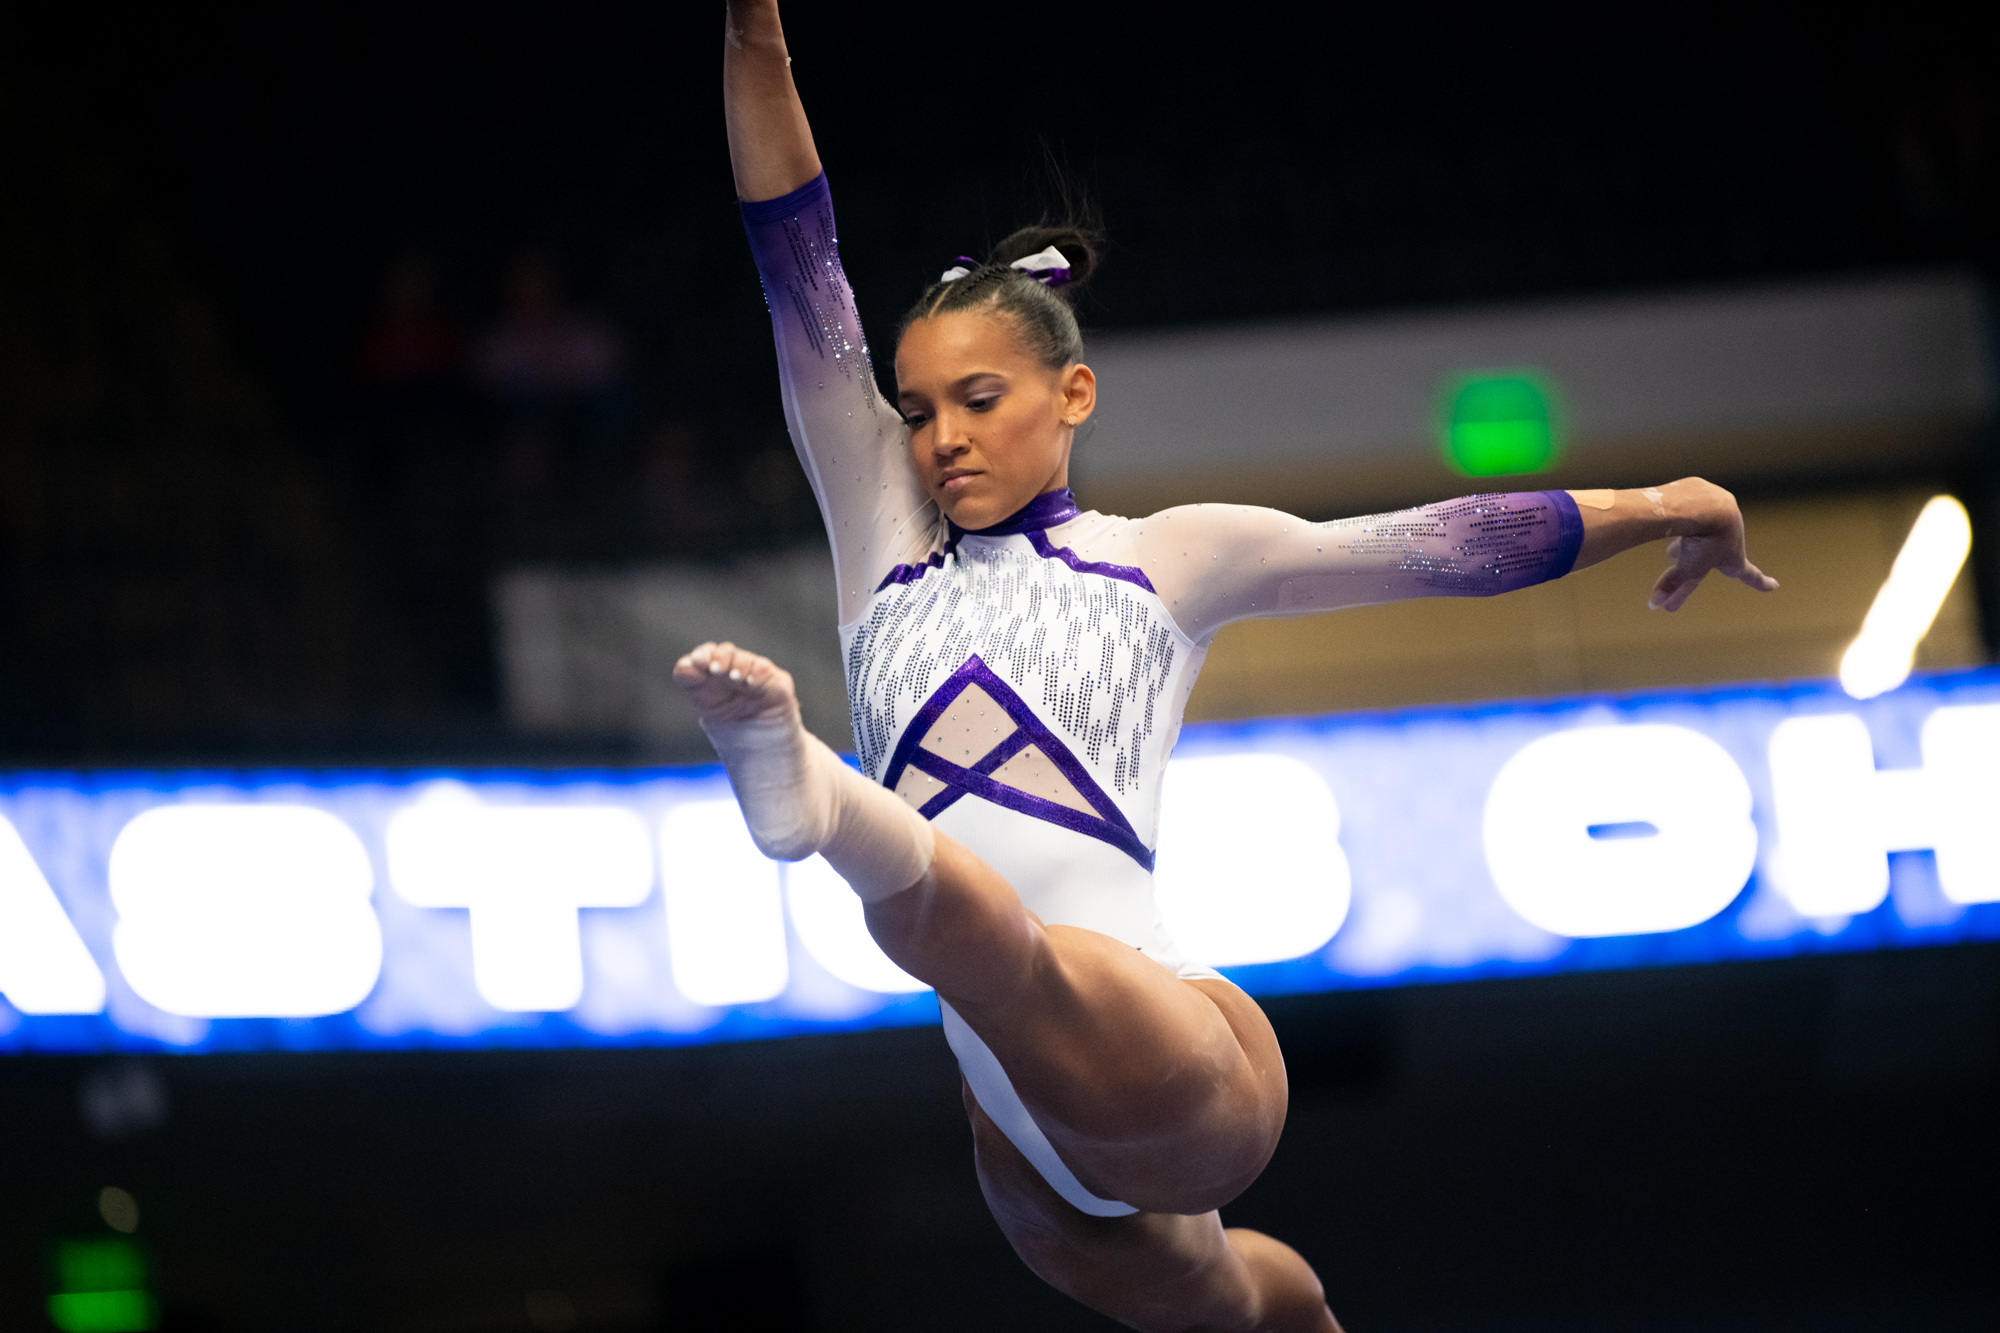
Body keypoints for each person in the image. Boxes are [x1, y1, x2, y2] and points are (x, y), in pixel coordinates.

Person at [681, 4, 1780, 1329]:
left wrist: (1664, 499)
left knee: (979, 939)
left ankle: (807, 789)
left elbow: (1436, 545)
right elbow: (798, 262)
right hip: (1025, 1152)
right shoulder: (882, 536)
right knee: (1243, 1298)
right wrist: (756, 39)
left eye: (980, 401)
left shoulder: (1171, 558)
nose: (939, 442)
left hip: (1181, 1066)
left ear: (1071, 398)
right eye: (916, 414)